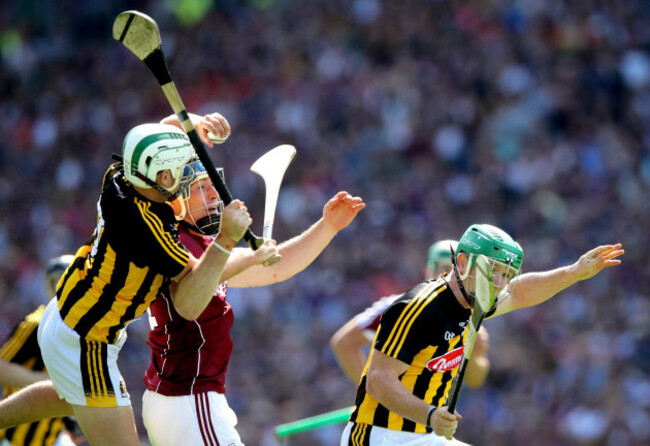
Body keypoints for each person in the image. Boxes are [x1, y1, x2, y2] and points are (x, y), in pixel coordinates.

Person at [0, 117, 256, 446]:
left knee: (66, 397)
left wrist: (187, 125)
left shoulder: (119, 177)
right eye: (181, 168)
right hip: (87, 340)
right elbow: (195, 285)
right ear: (163, 176)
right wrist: (226, 240)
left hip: (64, 315)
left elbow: (144, 148)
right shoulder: (151, 231)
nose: (187, 174)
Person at [140, 113, 366, 446]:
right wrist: (234, 247)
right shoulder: (176, 243)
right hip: (188, 397)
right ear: (174, 200)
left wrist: (327, 226)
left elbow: (274, 268)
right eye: (202, 189)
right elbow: (148, 148)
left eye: (212, 184)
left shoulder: (200, 242)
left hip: (184, 397)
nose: (215, 195)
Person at [340, 224, 623, 446]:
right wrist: (428, 414)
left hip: (424, 436)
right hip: (379, 437)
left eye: (506, 274)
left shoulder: (475, 297)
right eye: (492, 270)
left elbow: (520, 291)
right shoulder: (419, 308)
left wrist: (574, 272)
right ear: (461, 263)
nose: (499, 284)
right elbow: (378, 380)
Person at [330, 240, 489, 387]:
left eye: (457, 271)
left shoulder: (469, 319)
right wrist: (375, 391)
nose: (449, 277)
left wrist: (474, 354)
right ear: (427, 271)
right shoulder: (397, 307)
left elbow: (476, 380)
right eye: (443, 268)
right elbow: (344, 343)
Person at [0, 255, 79, 446]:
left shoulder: (83, 333)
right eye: (56, 282)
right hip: (17, 440)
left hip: (53, 438)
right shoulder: (36, 324)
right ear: (47, 287)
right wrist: (50, 385)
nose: (62, 289)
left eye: (70, 282)